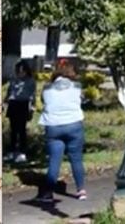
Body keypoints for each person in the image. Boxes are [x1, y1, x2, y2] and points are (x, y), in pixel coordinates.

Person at [37, 60, 86, 202]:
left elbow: (43, 100)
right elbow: (82, 99)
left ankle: (48, 193)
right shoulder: (77, 87)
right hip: (73, 124)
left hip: (53, 126)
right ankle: (81, 190)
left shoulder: (47, 88)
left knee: (54, 160)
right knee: (76, 158)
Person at [5, 60, 35, 163]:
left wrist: (32, 108)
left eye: (22, 71)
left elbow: (32, 96)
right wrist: (5, 102)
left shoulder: (30, 81)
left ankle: (22, 153)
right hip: (13, 104)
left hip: (23, 105)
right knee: (13, 130)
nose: (20, 73)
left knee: (22, 130)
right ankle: (12, 151)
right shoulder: (14, 80)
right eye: (19, 71)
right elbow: (9, 92)